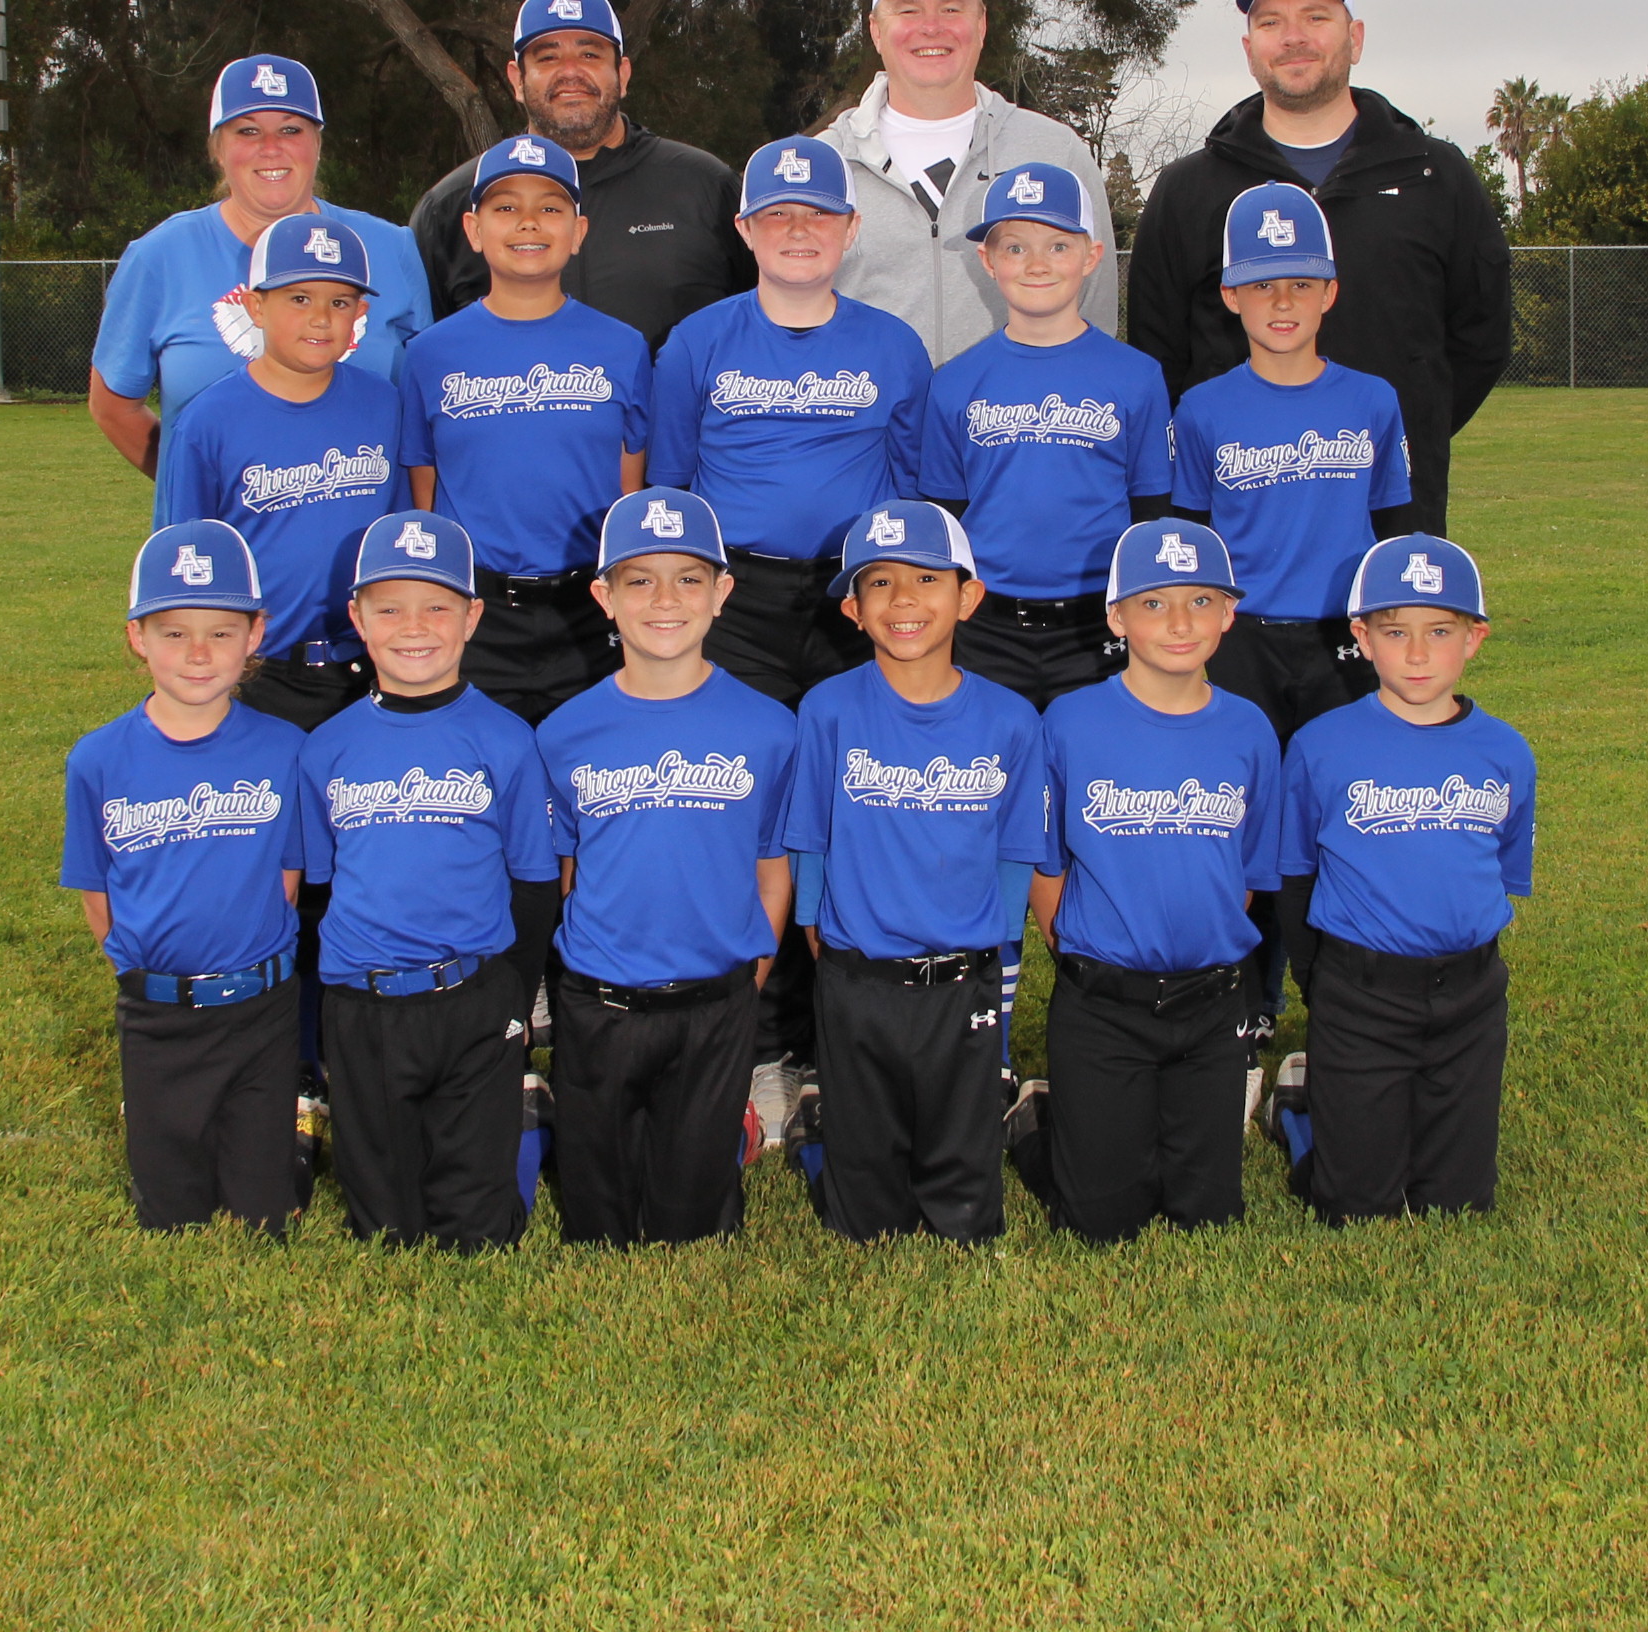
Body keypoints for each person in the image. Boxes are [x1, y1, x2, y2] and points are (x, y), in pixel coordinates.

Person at [646, 135, 932, 1124]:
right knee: (750, 813)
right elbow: (671, 488)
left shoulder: (892, 346)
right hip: (741, 604)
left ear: (850, 230)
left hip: (857, 602)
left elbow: (912, 491)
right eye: (779, 215)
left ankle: (837, 1038)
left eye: (819, 216)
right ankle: (761, 1042)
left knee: (854, 811)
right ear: (746, 229)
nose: (799, 231)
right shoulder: (700, 342)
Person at [1124, 0, 1511, 538]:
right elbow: (1159, 357)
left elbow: (1480, 340)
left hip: (1391, 516)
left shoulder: (1434, 175)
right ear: (1249, 48)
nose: (1293, 37)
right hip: (1238, 524)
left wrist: (1406, 429)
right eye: (1271, 22)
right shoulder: (1188, 189)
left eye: (1316, 16)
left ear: (1355, 38)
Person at [774, 501, 1052, 1244]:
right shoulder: (828, 709)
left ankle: (1016, 1125)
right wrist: (819, 933)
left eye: (928, 579)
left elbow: (1014, 850)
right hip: (857, 972)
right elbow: (810, 840)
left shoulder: (1010, 719)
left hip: (964, 974)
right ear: (852, 609)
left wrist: (998, 947)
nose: (903, 600)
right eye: (880, 583)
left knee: (965, 1211)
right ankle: (824, 1140)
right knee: (866, 1215)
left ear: (969, 596)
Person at [292, 512, 564, 1251]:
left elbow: (534, 883)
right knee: (385, 1228)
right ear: (357, 619)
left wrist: (512, 999)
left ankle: (520, 1130)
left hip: (471, 995)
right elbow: (319, 890)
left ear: (472, 617)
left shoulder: (506, 739)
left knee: (479, 1230)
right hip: (365, 1003)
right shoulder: (326, 748)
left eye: (437, 607)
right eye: (389, 609)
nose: (414, 628)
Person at [534, 488, 798, 1244]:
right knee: (600, 1226)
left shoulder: (769, 728)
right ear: (604, 598)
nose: (664, 600)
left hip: (716, 1000)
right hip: (600, 1002)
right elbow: (569, 871)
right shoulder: (564, 732)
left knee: (694, 1226)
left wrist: (747, 980)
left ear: (722, 592)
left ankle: (727, 1132)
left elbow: (772, 869)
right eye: (639, 580)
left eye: (688, 579)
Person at [1009, 520, 1281, 1243]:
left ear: (1229, 614)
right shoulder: (1070, 722)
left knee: (1206, 1216)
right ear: (1116, 617)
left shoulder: (1250, 729)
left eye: (1201, 602)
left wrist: (1198, 940)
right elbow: (1045, 862)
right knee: (1101, 1222)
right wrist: (1078, 950)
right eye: (1154, 603)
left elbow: (1246, 872)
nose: (1179, 623)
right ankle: (1035, 1125)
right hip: (1103, 1003)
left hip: (1211, 1002)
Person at [1264, 535, 1533, 1222]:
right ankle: (1297, 1115)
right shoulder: (1320, 746)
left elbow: (1499, 872)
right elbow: (1295, 875)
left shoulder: (1506, 752)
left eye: (1439, 631)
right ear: (1362, 639)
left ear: (1474, 638)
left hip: (1470, 993)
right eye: (1395, 632)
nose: (1417, 654)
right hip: (1361, 989)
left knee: (1459, 1203)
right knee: (1356, 1205)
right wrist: (1320, 980)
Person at [61, 521, 308, 1234]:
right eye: (174, 633)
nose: (198, 654)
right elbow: (96, 888)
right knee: (172, 1214)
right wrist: (139, 971)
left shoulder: (285, 748)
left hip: (260, 1007)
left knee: (264, 1212)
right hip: (159, 1013)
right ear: (137, 637)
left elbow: (288, 873)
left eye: (221, 632)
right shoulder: (98, 758)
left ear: (255, 634)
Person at [397, 134, 651, 726]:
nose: (528, 222)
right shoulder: (430, 353)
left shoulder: (622, 346)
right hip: (476, 609)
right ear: (473, 229)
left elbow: (628, 488)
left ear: (578, 232)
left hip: (589, 606)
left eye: (550, 207)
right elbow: (424, 490)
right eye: (506, 206)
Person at [91, 52, 434, 481]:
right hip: (221, 525)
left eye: (291, 129)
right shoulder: (159, 256)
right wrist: (199, 487)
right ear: (218, 149)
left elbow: (424, 405)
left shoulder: (390, 247)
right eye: (248, 130)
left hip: (366, 518)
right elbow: (113, 406)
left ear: (317, 144)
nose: (270, 147)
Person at [920, 161, 1174, 713]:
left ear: (1092, 256)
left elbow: (1150, 513)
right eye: (1015, 248)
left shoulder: (1136, 376)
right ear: (987, 260)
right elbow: (945, 522)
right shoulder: (955, 382)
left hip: (1099, 622)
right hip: (986, 625)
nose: (1036, 264)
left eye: (1058, 246)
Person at [1167, 183, 1417, 744]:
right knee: (1248, 778)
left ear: (1330, 292)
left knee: (1341, 776)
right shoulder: (1202, 409)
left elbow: (1394, 524)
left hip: (1345, 631)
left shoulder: (1373, 400)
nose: (1282, 303)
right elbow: (1192, 535)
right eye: (1262, 285)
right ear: (1231, 295)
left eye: (1301, 284)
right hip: (1242, 636)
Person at [152, 216, 408, 734]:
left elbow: (402, 531)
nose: (320, 319)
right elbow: (185, 561)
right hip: (261, 671)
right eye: (299, 298)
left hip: (375, 662)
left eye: (340, 303)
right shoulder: (208, 421)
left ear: (360, 314)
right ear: (255, 306)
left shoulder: (384, 404)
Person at [821, 0, 1119, 364]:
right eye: (908, 9)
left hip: (1015, 407)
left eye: (951, 8)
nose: (931, 26)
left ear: (980, 25)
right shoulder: (824, 164)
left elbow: (1096, 315)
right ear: (876, 30)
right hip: (868, 408)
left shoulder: (1055, 152)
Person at [408, 0, 752, 350]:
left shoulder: (705, 186)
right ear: (517, 80)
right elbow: (418, 352)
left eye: (590, 54)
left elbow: (764, 324)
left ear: (622, 74)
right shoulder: (453, 205)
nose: (570, 72)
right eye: (548, 57)